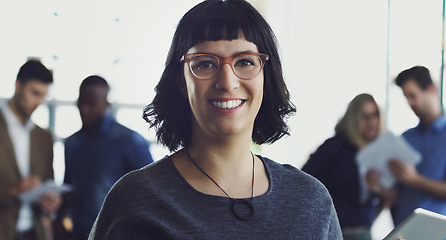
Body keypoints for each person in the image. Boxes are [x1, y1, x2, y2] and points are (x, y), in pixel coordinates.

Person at [88, 0, 342, 239]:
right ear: (181, 81)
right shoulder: (136, 199)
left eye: (244, 62)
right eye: (205, 64)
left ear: (266, 76)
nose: (227, 82)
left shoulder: (311, 200)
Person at [59, 75, 154, 240]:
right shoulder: (72, 143)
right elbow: (67, 189)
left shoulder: (129, 141)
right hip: (76, 234)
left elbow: (151, 192)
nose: (84, 109)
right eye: (81, 103)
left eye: (92, 103)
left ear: (106, 105)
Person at [368, 66, 446, 240]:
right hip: (405, 234)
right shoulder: (406, 138)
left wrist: (415, 179)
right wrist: (378, 186)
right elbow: (398, 193)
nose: (409, 102)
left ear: (430, 90)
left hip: (440, 235)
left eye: (413, 96)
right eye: (406, 97)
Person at [302, 93, 383, 240]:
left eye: (375, 115)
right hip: (337, 231)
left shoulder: (376, 151)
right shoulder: (334, 147)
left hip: (364, 230)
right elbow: (304, 181)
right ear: (354, 119)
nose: (372, 122)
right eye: (366, 116)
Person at [0, 60, 62, 240]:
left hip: (34, 233)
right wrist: (13, 191)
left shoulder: (43, 137)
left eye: (43, 96)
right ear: (18, 86)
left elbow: (48, 180)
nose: (39, 102)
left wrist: (50, 200)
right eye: (35, 93)